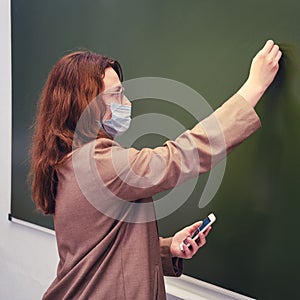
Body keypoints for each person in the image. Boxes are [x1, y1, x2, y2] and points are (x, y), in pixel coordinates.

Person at [29, 40, 281, 299]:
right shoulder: (95, 163)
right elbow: (180, 156)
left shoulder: (67, 162)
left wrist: (167, 248)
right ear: (84, 104)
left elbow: (98, 252)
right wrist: (253, 87)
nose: (126, 102)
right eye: (116, 95)